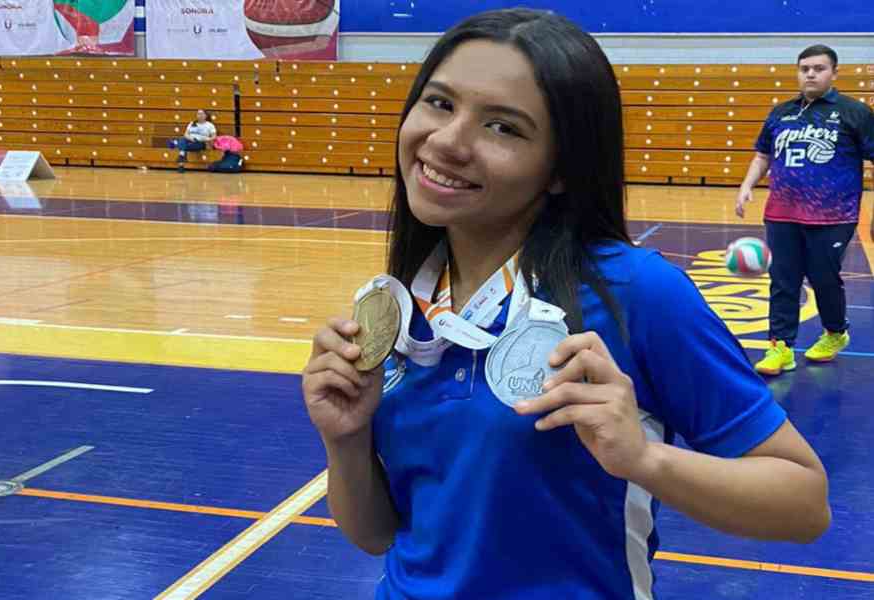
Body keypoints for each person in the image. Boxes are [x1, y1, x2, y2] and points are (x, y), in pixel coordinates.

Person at [303, 10, 831, 599]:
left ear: (560, 170)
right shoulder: (401, 303)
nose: (447, 141)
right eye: (440, 103)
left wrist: (643, 460)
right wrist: (345, 441)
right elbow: (377, 536)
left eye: (503, 128)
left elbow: (804, 502)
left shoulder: (634, 292)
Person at [737, 45, 874, 376]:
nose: (810, 74)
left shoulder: (854, 112)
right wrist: (746, 186)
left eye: (818, 68)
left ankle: (835, 332)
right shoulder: (781, 112)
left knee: (823, 278)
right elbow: (763, 155)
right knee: (782, 280)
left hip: (833, 216)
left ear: (834, 73)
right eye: (804, 68)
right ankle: (780, 348)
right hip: (781, 213)